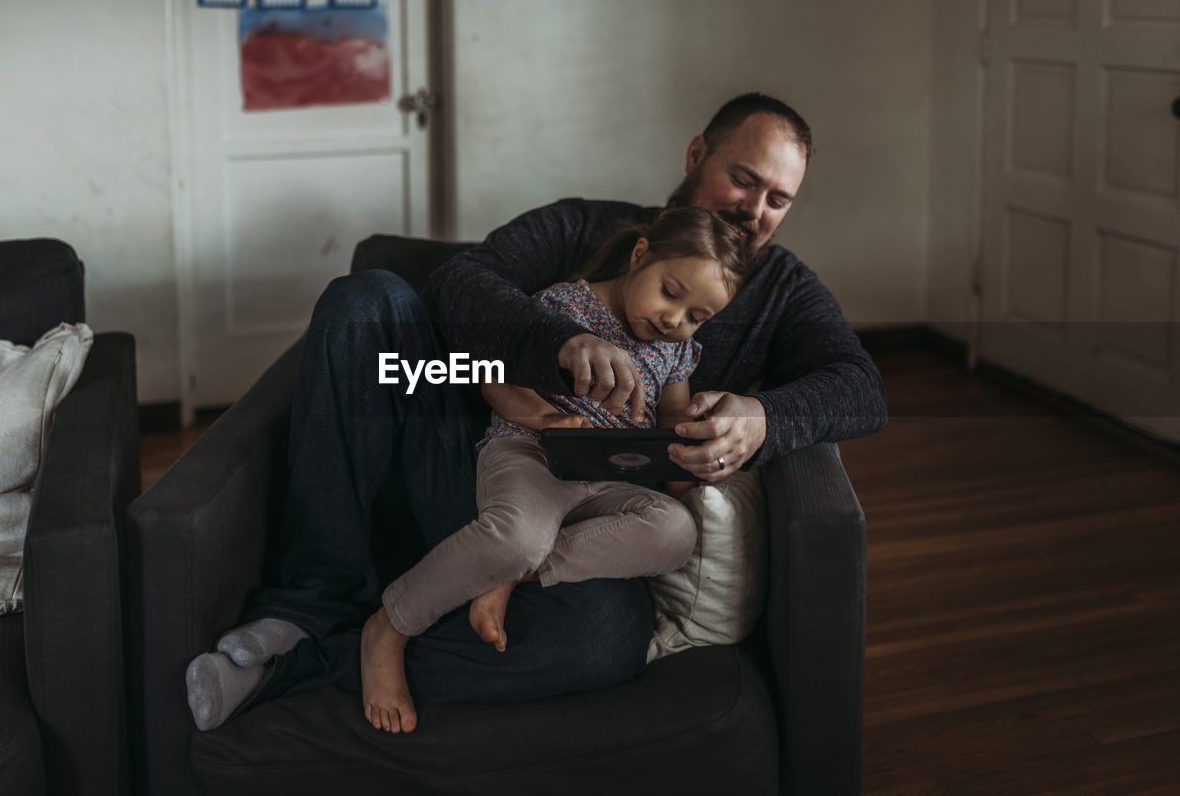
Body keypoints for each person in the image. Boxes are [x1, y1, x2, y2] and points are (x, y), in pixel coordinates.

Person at [184, 92, 887, 734]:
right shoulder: (588, 226)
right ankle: (309, 601)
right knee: (364, 299)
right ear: (696, 154)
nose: (754, 209)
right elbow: (458, 285)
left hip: (570, 523)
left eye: (778, 199)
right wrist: (558, 346)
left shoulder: (784, 292)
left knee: (596, 641)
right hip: (475, 453)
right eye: (744, 179)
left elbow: (861, 387)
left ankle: (313, 663)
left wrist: (762, 419)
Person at [361, 207, 757, 733]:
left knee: (676, 532)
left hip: (612, 477)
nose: (674, 320)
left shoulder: (676, 349)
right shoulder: (563, 306)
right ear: (640, 255)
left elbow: (670, 425)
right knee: (514, 535)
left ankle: (508, 574)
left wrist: (695, 447)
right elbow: (490, 373)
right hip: (533, 454)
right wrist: (548, 418)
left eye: (696, 316)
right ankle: (389, 626)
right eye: (669, 292)